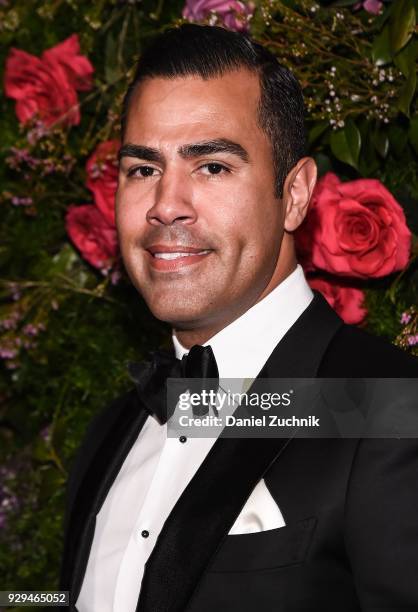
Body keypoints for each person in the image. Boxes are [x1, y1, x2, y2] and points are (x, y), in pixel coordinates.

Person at [59, 24, 418, 612]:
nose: (165, 205)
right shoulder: (109, 432)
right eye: (143, 169)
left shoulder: (393, 413)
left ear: (296, 193)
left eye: (213, 167)